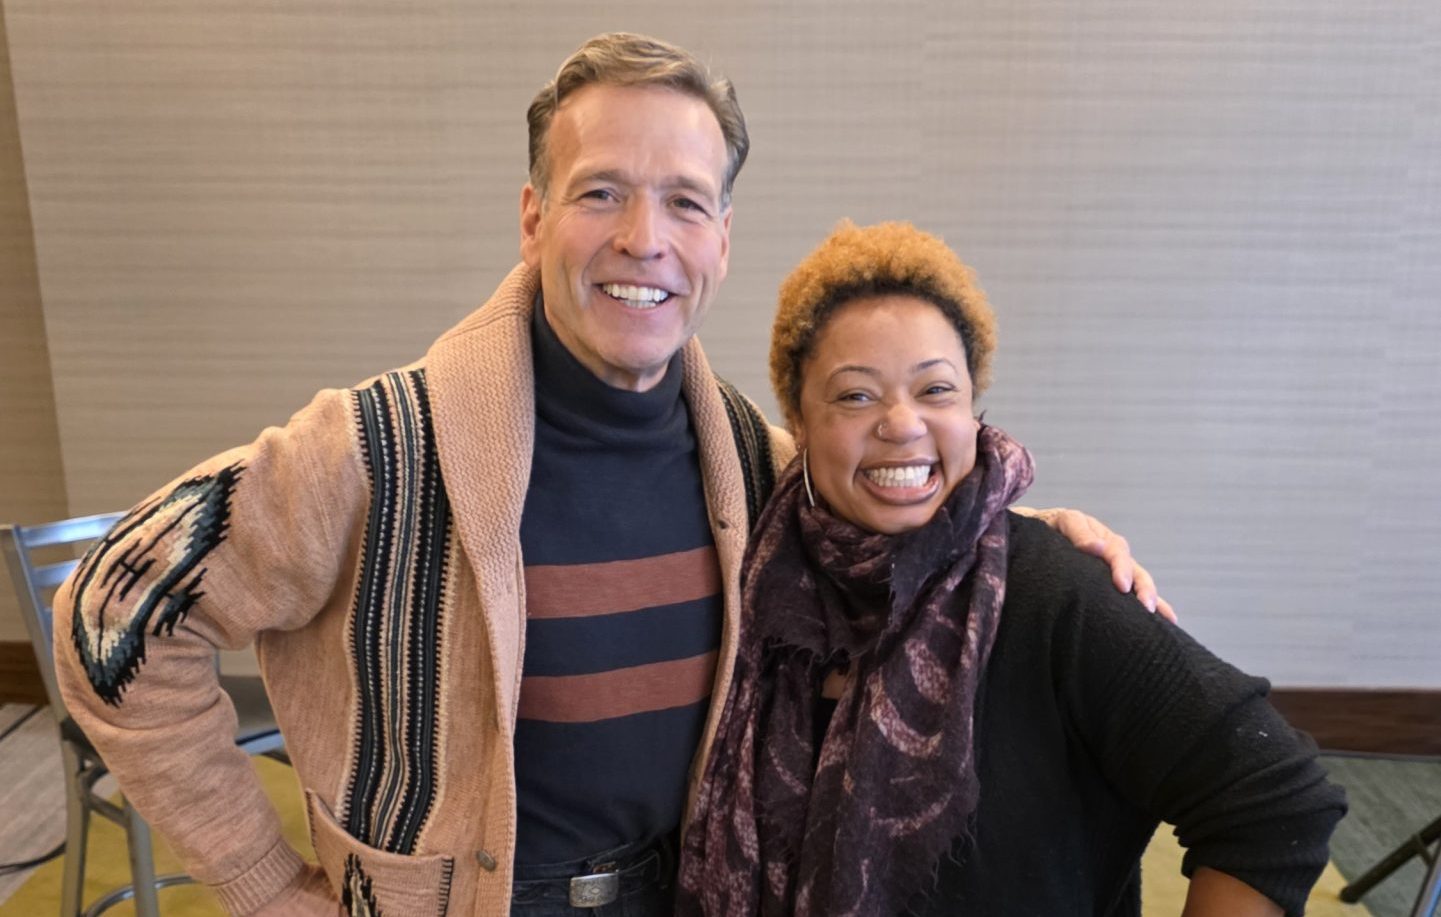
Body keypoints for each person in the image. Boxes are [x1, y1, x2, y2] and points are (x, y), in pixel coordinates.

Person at [53, 35, 1167, 917]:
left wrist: (1016, 532)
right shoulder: (375, 447)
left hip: (689, 887)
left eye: (684, 200)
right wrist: (260, 882)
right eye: (600, 193)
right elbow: (109, 616)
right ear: (533, 218)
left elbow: (881, 505)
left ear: (722, 239)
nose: (644, 237)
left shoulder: (743, 452)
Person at [677, 220, 1347, 917]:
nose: (902, 423)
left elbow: (1276, 798)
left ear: (973, 410)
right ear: (800, 420)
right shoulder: (760, 584)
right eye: (855, 395)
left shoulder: (1051, 591)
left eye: (935, 390)